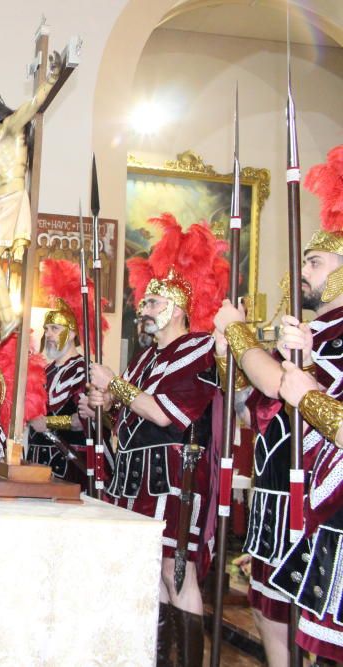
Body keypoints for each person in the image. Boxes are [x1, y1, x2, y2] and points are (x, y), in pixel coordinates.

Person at [84, 215, 227, 666]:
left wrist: (117, 387)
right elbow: (129, 420)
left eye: (153, 302)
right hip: (134, 478)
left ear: (178, 307)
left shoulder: (199, 349)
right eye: (144, 302)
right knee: (147, 572)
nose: (143, 308)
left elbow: (166, 412)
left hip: (174, 476)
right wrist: (104, 406)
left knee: (175, 571)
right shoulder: (145, 356)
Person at [228, 144, 343, 664]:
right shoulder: (314, 330)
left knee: (317, 635)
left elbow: (280, 385)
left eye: (315, 262)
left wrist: (237, 337)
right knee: (272, 612)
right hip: (280, 486)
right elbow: (258, 403)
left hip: (321, 500)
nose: (304, 272)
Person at [0, 59, 62, 344]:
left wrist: (51, 78)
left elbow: (30, 107)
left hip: (10, 198)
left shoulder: (9, 128)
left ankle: (8, 317)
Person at [26, 259, 108, 484]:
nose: (48, 334)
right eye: (46, 329)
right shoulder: (45, 371)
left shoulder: (84, 371)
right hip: (36, 462)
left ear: (72, 333)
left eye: (55, 328)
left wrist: (49, 423)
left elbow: (84, 418)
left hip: (69, 465)